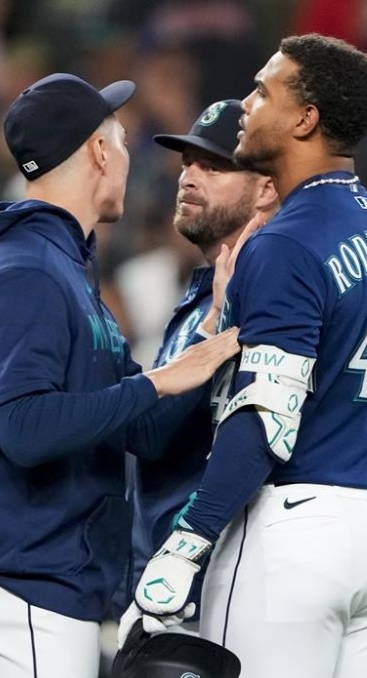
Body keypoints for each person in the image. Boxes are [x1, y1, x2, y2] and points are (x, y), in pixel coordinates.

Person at [125, 34, 367, 678]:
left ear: (305, 120)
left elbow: (267, 413)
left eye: (265, 90)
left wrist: (190, 537)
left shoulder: (286, 239)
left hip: (303, 534)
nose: (248, 104)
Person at [0, 73, 239, 678]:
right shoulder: (29, 271)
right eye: (120, 140)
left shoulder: (57, 265)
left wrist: (207, 336)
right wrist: (159, 379)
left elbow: (141, 430)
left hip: (9, 576)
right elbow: (25, 428)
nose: (128, 158)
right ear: (98, 151)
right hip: (28, 589)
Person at [120, 98, 277, 620]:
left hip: (218, 582)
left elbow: (150, 432)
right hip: (173, 574)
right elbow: (150, 436)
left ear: (265, 189)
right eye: (187, 163)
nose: (189, 177)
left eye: (214, 166)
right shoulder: (207, 293)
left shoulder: (267, 295)